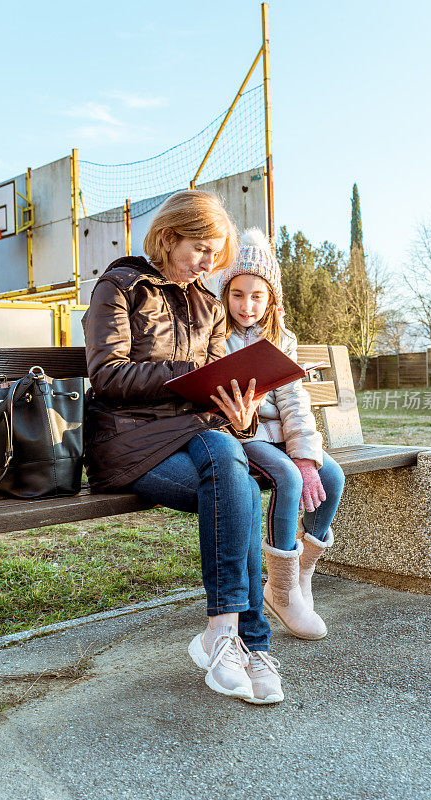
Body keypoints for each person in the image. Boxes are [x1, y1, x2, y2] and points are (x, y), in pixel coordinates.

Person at [82, 192, 283, 705]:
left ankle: (230, 637)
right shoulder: (119, 286)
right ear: (168, 238)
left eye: (217, 251)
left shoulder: (210, 307)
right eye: (200, 248)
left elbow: (215, 390)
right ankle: (247, 640)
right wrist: (189, 375)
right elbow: (106, 375)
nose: (211, 263)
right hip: (129, 439)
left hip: (194, 435)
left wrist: (240, 413)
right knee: (234, 479)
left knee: (230, 464)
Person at [216, 228, 345, 640]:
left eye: (257, 296)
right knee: (286, 478)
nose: (247, 305)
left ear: (271, 298)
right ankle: (282, 590)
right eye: (237, 294)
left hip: (280, 436)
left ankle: (301, 572)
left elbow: (294, 404)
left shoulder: (280, 340)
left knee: (331, 476)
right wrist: (245, 422)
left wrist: (306, 457)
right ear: (226, 293)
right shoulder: (218, 338)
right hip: (241, 436)